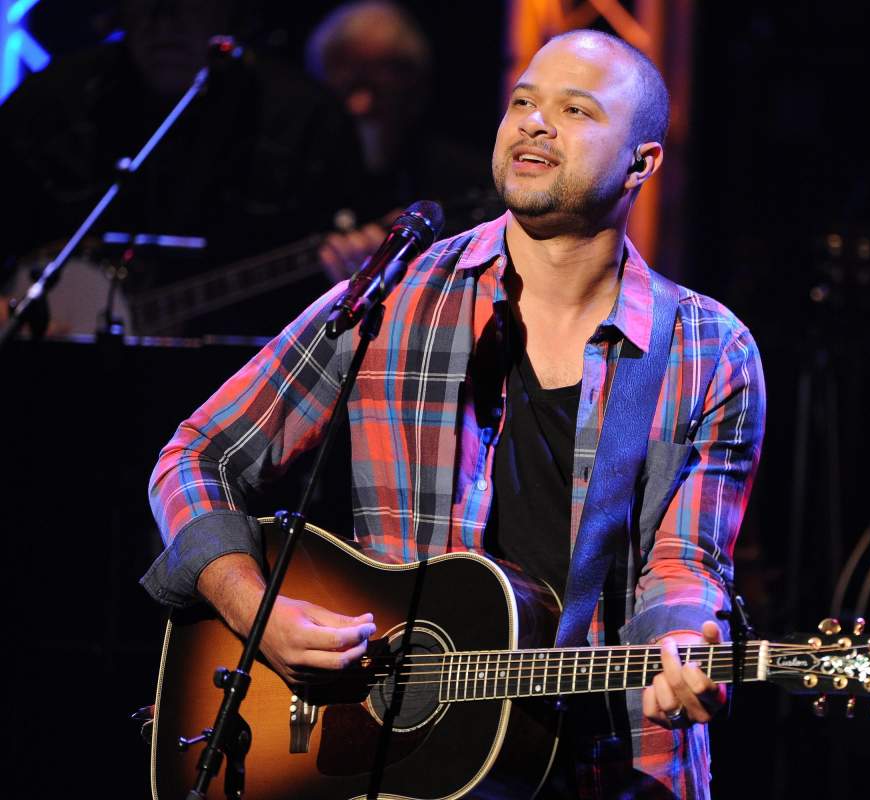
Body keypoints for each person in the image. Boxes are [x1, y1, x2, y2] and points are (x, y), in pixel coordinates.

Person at [142, 29, 764, 798]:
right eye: (524, 102)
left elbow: (686, 560)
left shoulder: (708, 347)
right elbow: (197, 454)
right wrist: (252, 608)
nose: (535, 123)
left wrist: (681, 648)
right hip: (394, 764)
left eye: (575, 110)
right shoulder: (398, 296)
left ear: (642, 162)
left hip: (611, 766)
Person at [0, 0, 364, 336]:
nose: (165, 21)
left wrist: (355, 264)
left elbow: (358, 241)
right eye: (149, 2)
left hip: (240, 380)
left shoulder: (305, 118)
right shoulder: (47, 107)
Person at [304, 1, 501, 281]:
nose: (361, 105)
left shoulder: (465, 178)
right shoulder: (295, 181)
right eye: (346, 85)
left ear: (415, 87)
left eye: (377, 84)